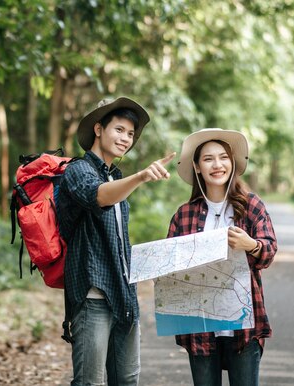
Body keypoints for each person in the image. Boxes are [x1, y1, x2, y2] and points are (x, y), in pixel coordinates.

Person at [57, 97, 175, 386]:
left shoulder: (116, 177)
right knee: (90, 382)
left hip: (124, 295)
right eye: (119, 130)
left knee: (128, 380)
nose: (126, 139)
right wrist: (142, 175)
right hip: (93, 295)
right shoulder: (77, 171)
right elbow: (98, 196)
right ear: (98, 129)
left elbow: (119, 242)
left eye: (131, 134)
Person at [166, 128, 277, 386]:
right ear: (196, 167)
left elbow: (269, 250)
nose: (217, 165)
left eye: (223, 157)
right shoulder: (184, 215)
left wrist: (251, 244)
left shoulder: (251, 206)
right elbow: (170, 271)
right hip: (200, 326)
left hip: (243, 326)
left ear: (232, 163)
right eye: (208, 159)